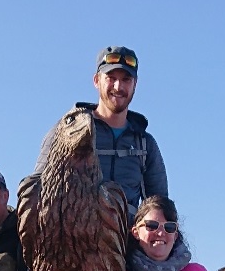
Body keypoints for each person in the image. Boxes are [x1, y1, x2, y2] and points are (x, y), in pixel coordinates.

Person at [35, 45, 166, 217]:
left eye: (126, 79)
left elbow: (162, 208)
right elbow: (38, 190)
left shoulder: (145, 143)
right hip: (76, 237)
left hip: (126, 240)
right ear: (96, 80)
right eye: (111, 78)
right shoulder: (68, 130)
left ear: (135, 84)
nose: (118, 87)